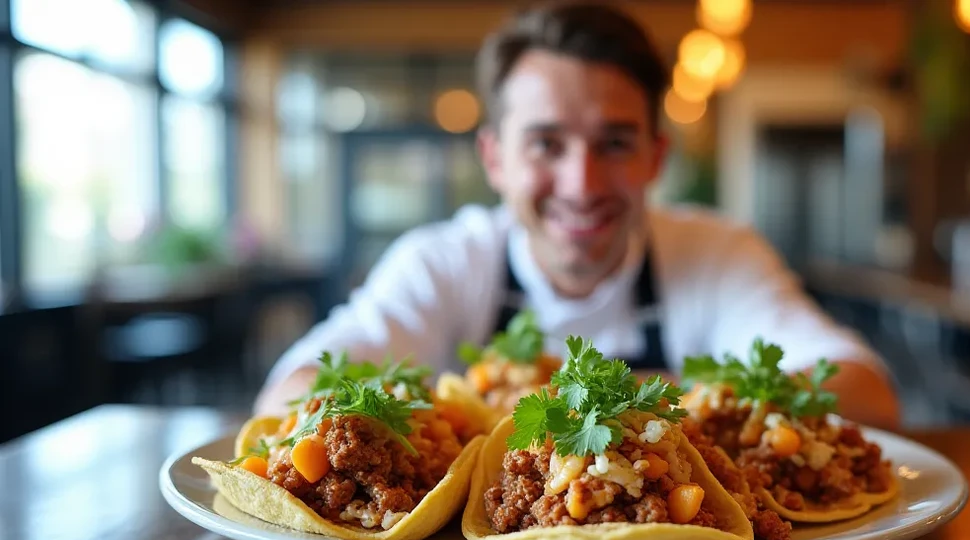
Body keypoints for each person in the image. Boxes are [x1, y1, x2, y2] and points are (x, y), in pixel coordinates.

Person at [254, 0, 901, 429]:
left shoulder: (717, 253)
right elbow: (288, 394)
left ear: (654, 157)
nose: (581, 183)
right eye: (546, 144)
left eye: (614, 144)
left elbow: (868, 395)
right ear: (495, 159)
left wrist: (612, 406)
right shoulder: (443, 262)